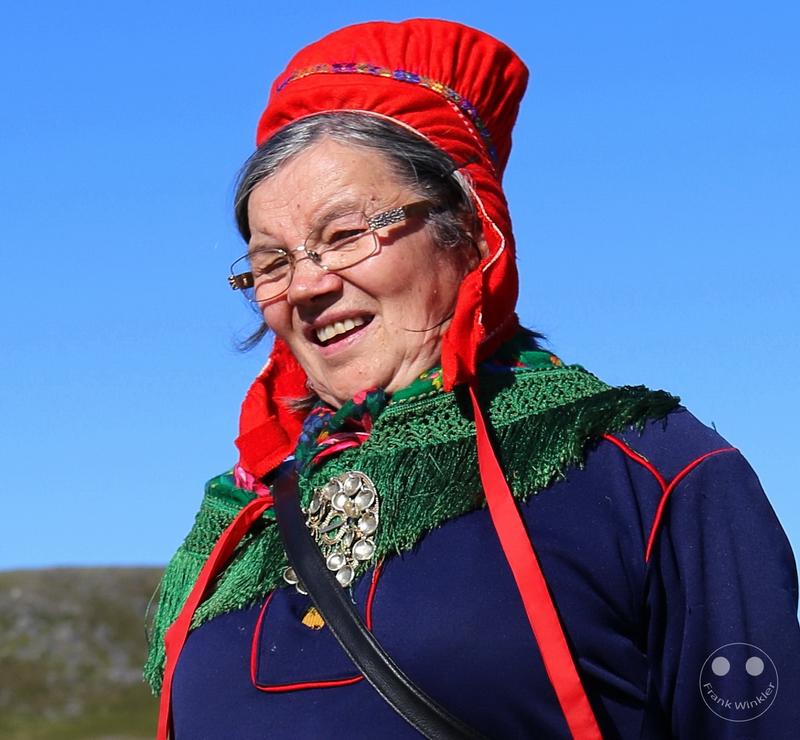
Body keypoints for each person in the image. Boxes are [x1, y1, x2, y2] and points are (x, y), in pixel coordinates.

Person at [145, 19, 800, 739]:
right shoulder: (241, 521)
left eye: (345, 234)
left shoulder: (644, 470)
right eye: (272, 262)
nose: (307, 286)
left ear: (470, 224)